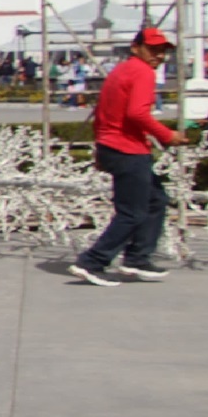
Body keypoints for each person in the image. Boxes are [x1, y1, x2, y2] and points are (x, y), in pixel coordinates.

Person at [71, 28, 178, 287]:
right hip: (128, 149)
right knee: (133, 212)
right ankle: (93, 262)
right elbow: (137, 114)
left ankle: (137, 258)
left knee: (155, 200)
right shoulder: (142, 72)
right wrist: (167, 135)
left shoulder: (121, 70)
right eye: (153, 49)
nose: (159, 56)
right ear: (136, 47)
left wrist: (101, 147)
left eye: (162, 51)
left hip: (114, 146)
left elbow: (101, 112)